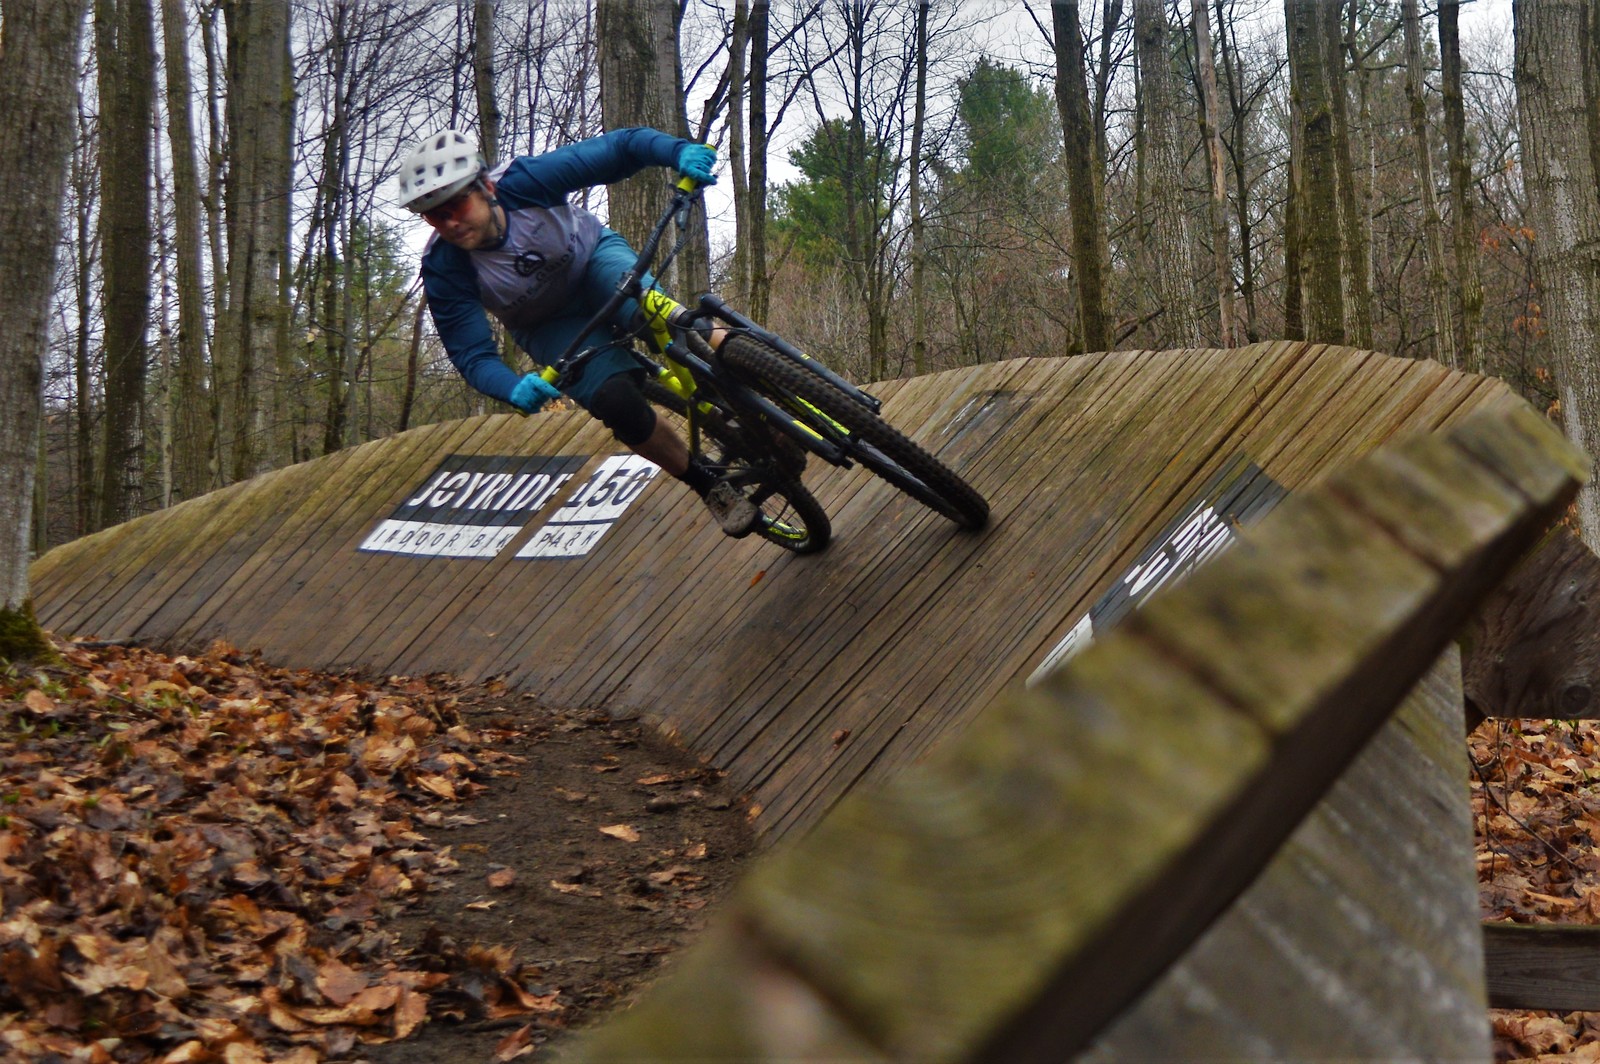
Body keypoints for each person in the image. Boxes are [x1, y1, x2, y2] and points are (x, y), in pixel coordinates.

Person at [395, 126, 759, 537]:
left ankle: (761, 386)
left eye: (456, 205)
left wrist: (677, 152)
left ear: (485, 187)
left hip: (593, 263)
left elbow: (620, 148)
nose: (450, 222)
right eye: (434, 215)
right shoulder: (444, 267)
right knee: (616, 402)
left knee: (659, 312)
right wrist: (510, 386)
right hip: (548, 323)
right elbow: (472, 355)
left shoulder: (525, 182)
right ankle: (708, 485)